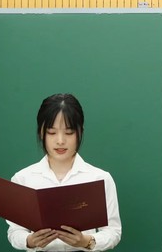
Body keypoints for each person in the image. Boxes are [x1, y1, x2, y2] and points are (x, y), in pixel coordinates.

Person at [7, 93, 122, 251]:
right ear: (41, 132)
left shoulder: (99, 178)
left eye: (69, 133)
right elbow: (15, 231)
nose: (60, 140)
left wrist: (86, 241)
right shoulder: (23, 179)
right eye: (52, 132)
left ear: (80, 132)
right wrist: (30, 241)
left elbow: (113, 231)